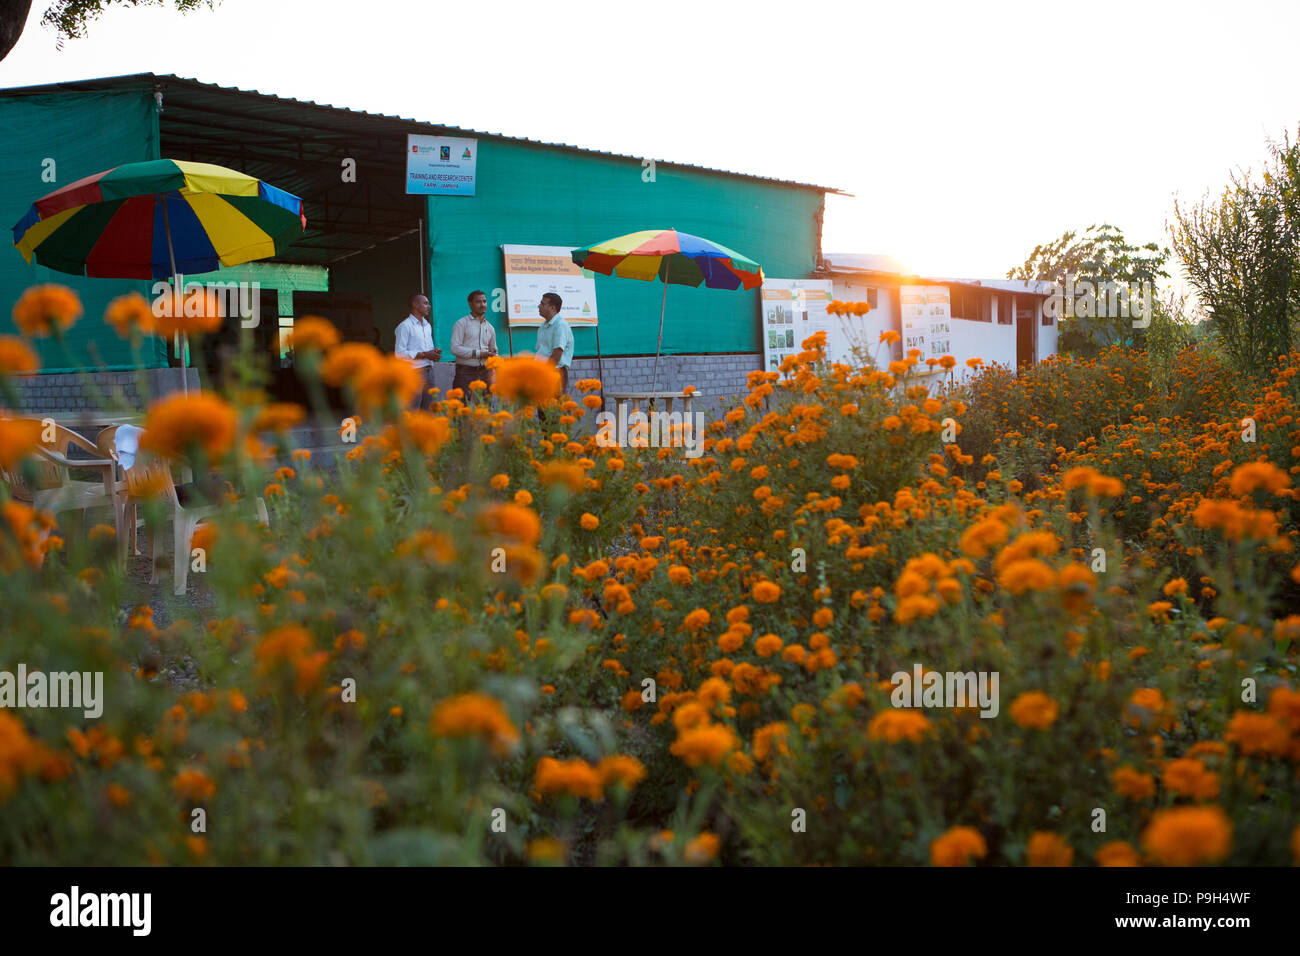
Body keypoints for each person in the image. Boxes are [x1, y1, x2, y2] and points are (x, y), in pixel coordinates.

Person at [394, 294, 442, 411]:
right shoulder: (405, 326)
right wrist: (424, 354)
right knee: (412, 408)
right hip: (414, 373)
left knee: (428, 409)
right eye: (425, 303)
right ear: (415, 305)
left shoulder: (427, 325)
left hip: (429, 371)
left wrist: (434, 353)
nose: (429, 306)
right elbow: (399, 354)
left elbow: (426, 349)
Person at [449, 290, 498, 401]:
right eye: (478, 302)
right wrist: (479, 353)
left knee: (484, 408)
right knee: (460, 407)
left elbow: (493, 350)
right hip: (465, 372)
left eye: (484, 301)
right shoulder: (461, 323)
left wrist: (493, 357)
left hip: (485, 372)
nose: (483, 305)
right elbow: (454, 348)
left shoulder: (490, 327)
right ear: (470, 304)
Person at [535, 291, 574, 399]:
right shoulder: (543, 326)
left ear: (552, 308)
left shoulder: (560, 325)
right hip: (544, 372)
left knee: (553, 411)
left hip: (554, 373)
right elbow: (541, 352)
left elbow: (557, 353)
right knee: (543, 412)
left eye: (542, 304)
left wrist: (545, 373)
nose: (539, 306)